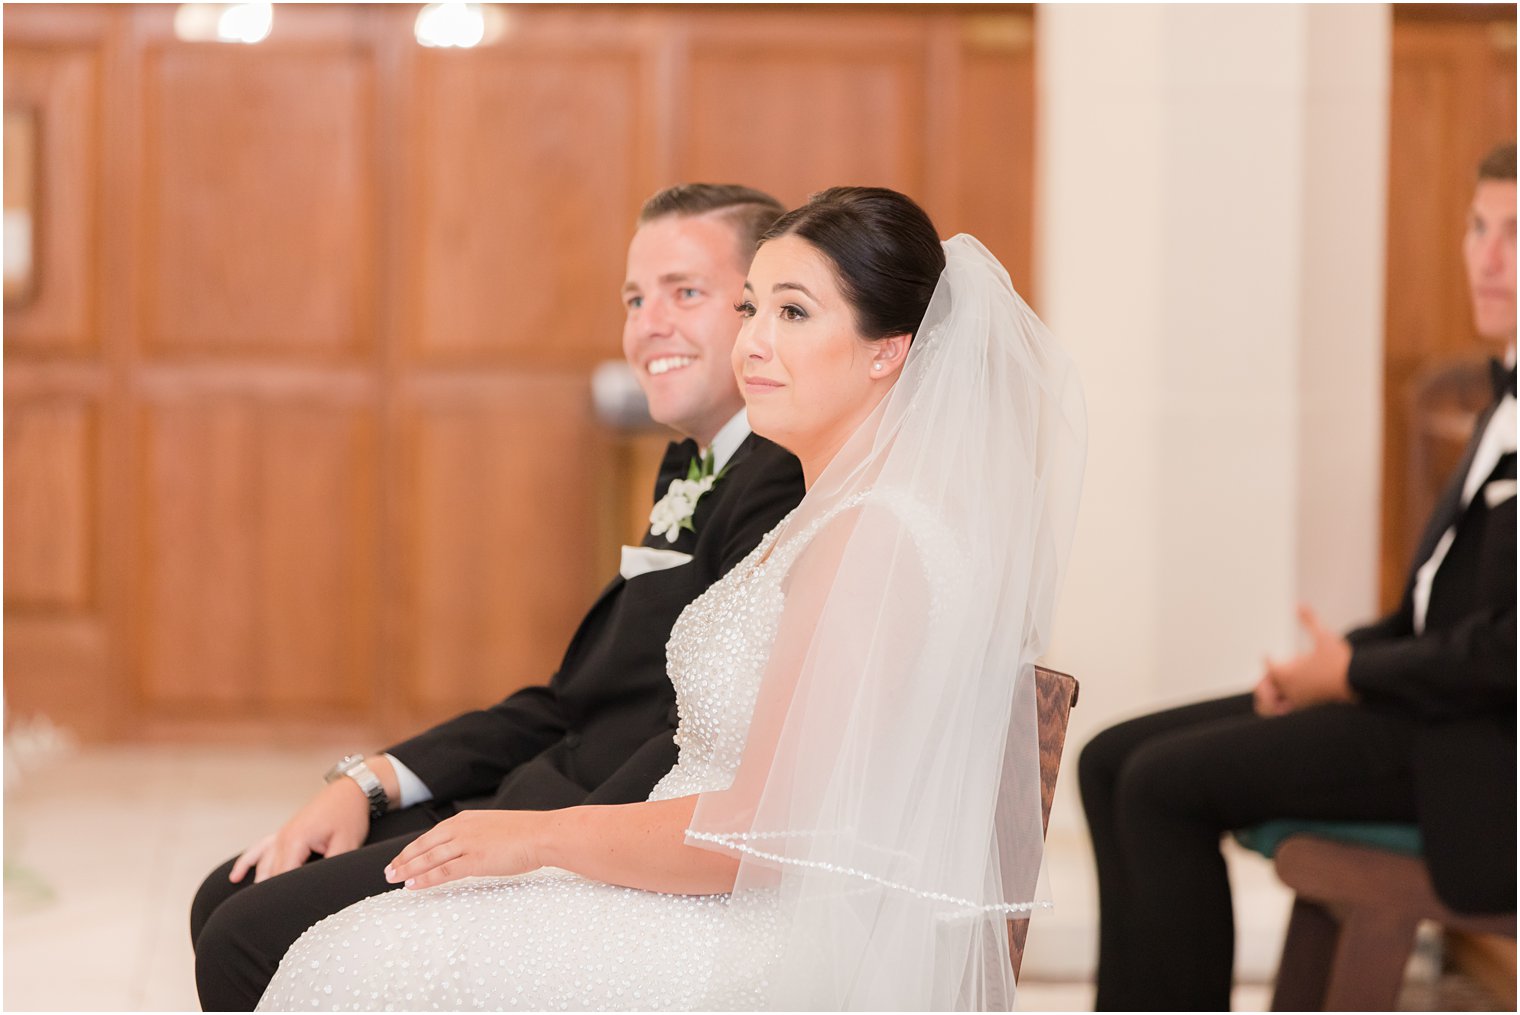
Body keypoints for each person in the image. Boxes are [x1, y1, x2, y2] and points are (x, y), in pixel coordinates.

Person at [253, 186, 1087, 1011]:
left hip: (756, 938)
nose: (752, 342)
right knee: (356, 942)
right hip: (702, 891)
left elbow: (763, 832)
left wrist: (539, 835)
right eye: (751, 308)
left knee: (355, 962)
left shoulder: (872, 538)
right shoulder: (826, 517)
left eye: (793, 314)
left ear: (886, 351)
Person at [190, 183, 806, 1010]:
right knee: (223, 895)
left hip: (594, 844)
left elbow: (697, 740)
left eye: (684, 292)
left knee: (243, 936)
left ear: (756, 311)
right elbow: (570, 703)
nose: (646, 323)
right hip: (537, 796)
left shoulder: (778, 484)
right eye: (633, 297)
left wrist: (540, 843)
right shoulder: (690, 467)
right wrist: (370, 782)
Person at [1079, 142, 1516, 1011]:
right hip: (1428, 710)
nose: (1488, 256)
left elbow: (1502, 652)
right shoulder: (1501, 402)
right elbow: (1433, 614)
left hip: (1480, 757)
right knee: (1108, 757)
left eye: (1516, 232)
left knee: (1163, 786)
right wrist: (1327, 666)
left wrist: (1349, 673)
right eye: (1476, 227)